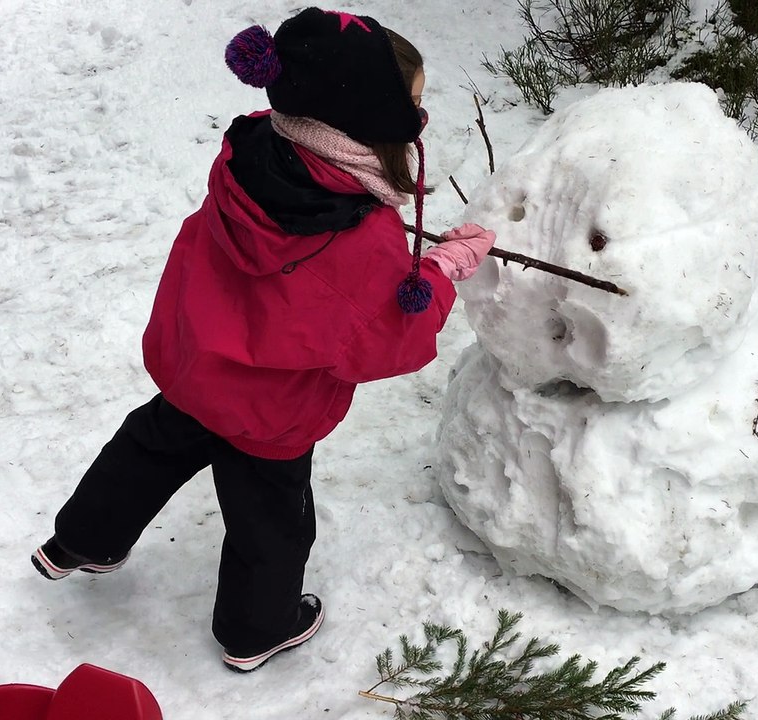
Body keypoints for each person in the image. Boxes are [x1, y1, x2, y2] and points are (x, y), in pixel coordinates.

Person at [30, 6, 496, 674]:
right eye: (412, 104)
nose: (419, 117)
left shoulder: (251, 150)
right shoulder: (358, 237)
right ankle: (257, 629)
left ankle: (81, 539)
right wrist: (442, 268)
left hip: (198, 366)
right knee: (271, 524)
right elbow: (384, 338)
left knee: (148, 447)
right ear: (368, 113)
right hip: (271, 411)